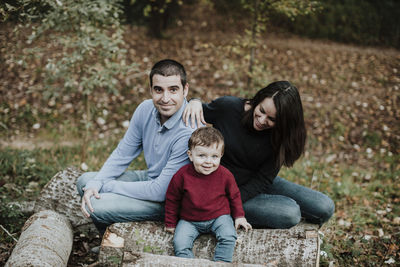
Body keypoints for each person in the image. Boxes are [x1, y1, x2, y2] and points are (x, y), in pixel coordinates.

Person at [182, 81, 335, 229]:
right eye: (261, 111)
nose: (262, 120)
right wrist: (194, 101)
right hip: (222, 184)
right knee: (290, 213)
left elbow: (263, 180)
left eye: (272, 119)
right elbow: (191, 110)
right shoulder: (228, 108)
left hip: (257, 181)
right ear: (259, 99)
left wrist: (236, 199)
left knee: (325, 207)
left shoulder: (281, 136)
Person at [76, 59, 197, 235]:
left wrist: (107, 185)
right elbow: (122, 154)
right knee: (86, 182)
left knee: (96, 202)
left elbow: (160, 192)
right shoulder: (144, 109)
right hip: (150, 179)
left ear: (185, 90)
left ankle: (116, 244)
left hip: (169, 201)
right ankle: (108, 240)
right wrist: (97, 182)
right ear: (151, 90)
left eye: (173, 90)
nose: (165, 98)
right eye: (158, 90)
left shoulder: (189, 130)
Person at [165, 127, 252, 262]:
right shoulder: (181, 175)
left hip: (218, 217)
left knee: (229, 236)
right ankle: (188, 264)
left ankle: (221, 263)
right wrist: (170, 222)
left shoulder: (225, 175)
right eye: (201, 156)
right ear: (190, 155)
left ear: (221, 156)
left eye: (214, 156)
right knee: (179, 243)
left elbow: (234, 196)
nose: (208, 161)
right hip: (189, 220)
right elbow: (172, 199)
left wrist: (239, 216)